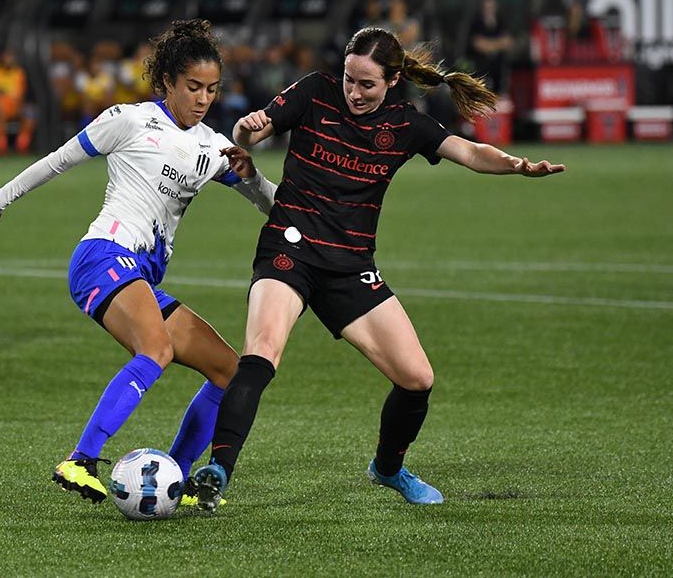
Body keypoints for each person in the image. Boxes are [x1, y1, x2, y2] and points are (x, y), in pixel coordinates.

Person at [192, 26, 564, 510]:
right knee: (261, 352)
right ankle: (218, 469)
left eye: (367, 84)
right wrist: (246, 132)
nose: (354, 92)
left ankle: (388, 469)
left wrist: (517, 165)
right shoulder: (314, 92)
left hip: (350, 266)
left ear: (392, 81)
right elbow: (249, 134)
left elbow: (470, 153)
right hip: (291, 248)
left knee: (417, 378)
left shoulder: (406, 123)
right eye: (349, 79)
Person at [0, 19, 277, 505]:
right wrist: (0, 199)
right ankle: (80, 459)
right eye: (193, 87)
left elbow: (270, 203)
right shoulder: (129, 120)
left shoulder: (213, 147)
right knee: (155, 350)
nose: (202, 99)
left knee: (229, 370)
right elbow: (58, 159)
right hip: (102, 257)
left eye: (212, 90)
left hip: (139, 277)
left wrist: (253, 174)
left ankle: (176, 475)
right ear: (167, 84)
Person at [0, 48, 36, 155]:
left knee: (30, 113)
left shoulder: (19, 73)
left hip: (14, 107)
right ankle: (1, 148)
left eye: (11, 57)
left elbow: (21, 94)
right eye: (6, 56)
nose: (8, 59)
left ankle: (22, 147)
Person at [467, 0, 514, 94]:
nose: (489, 10)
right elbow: (478, 44)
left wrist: (489, 45)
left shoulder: (501, 22)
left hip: (499, 69)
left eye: (491, 7)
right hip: (482, 69)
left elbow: (508, 42)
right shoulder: (476, 23)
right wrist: (498, 44)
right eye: (486, 7)